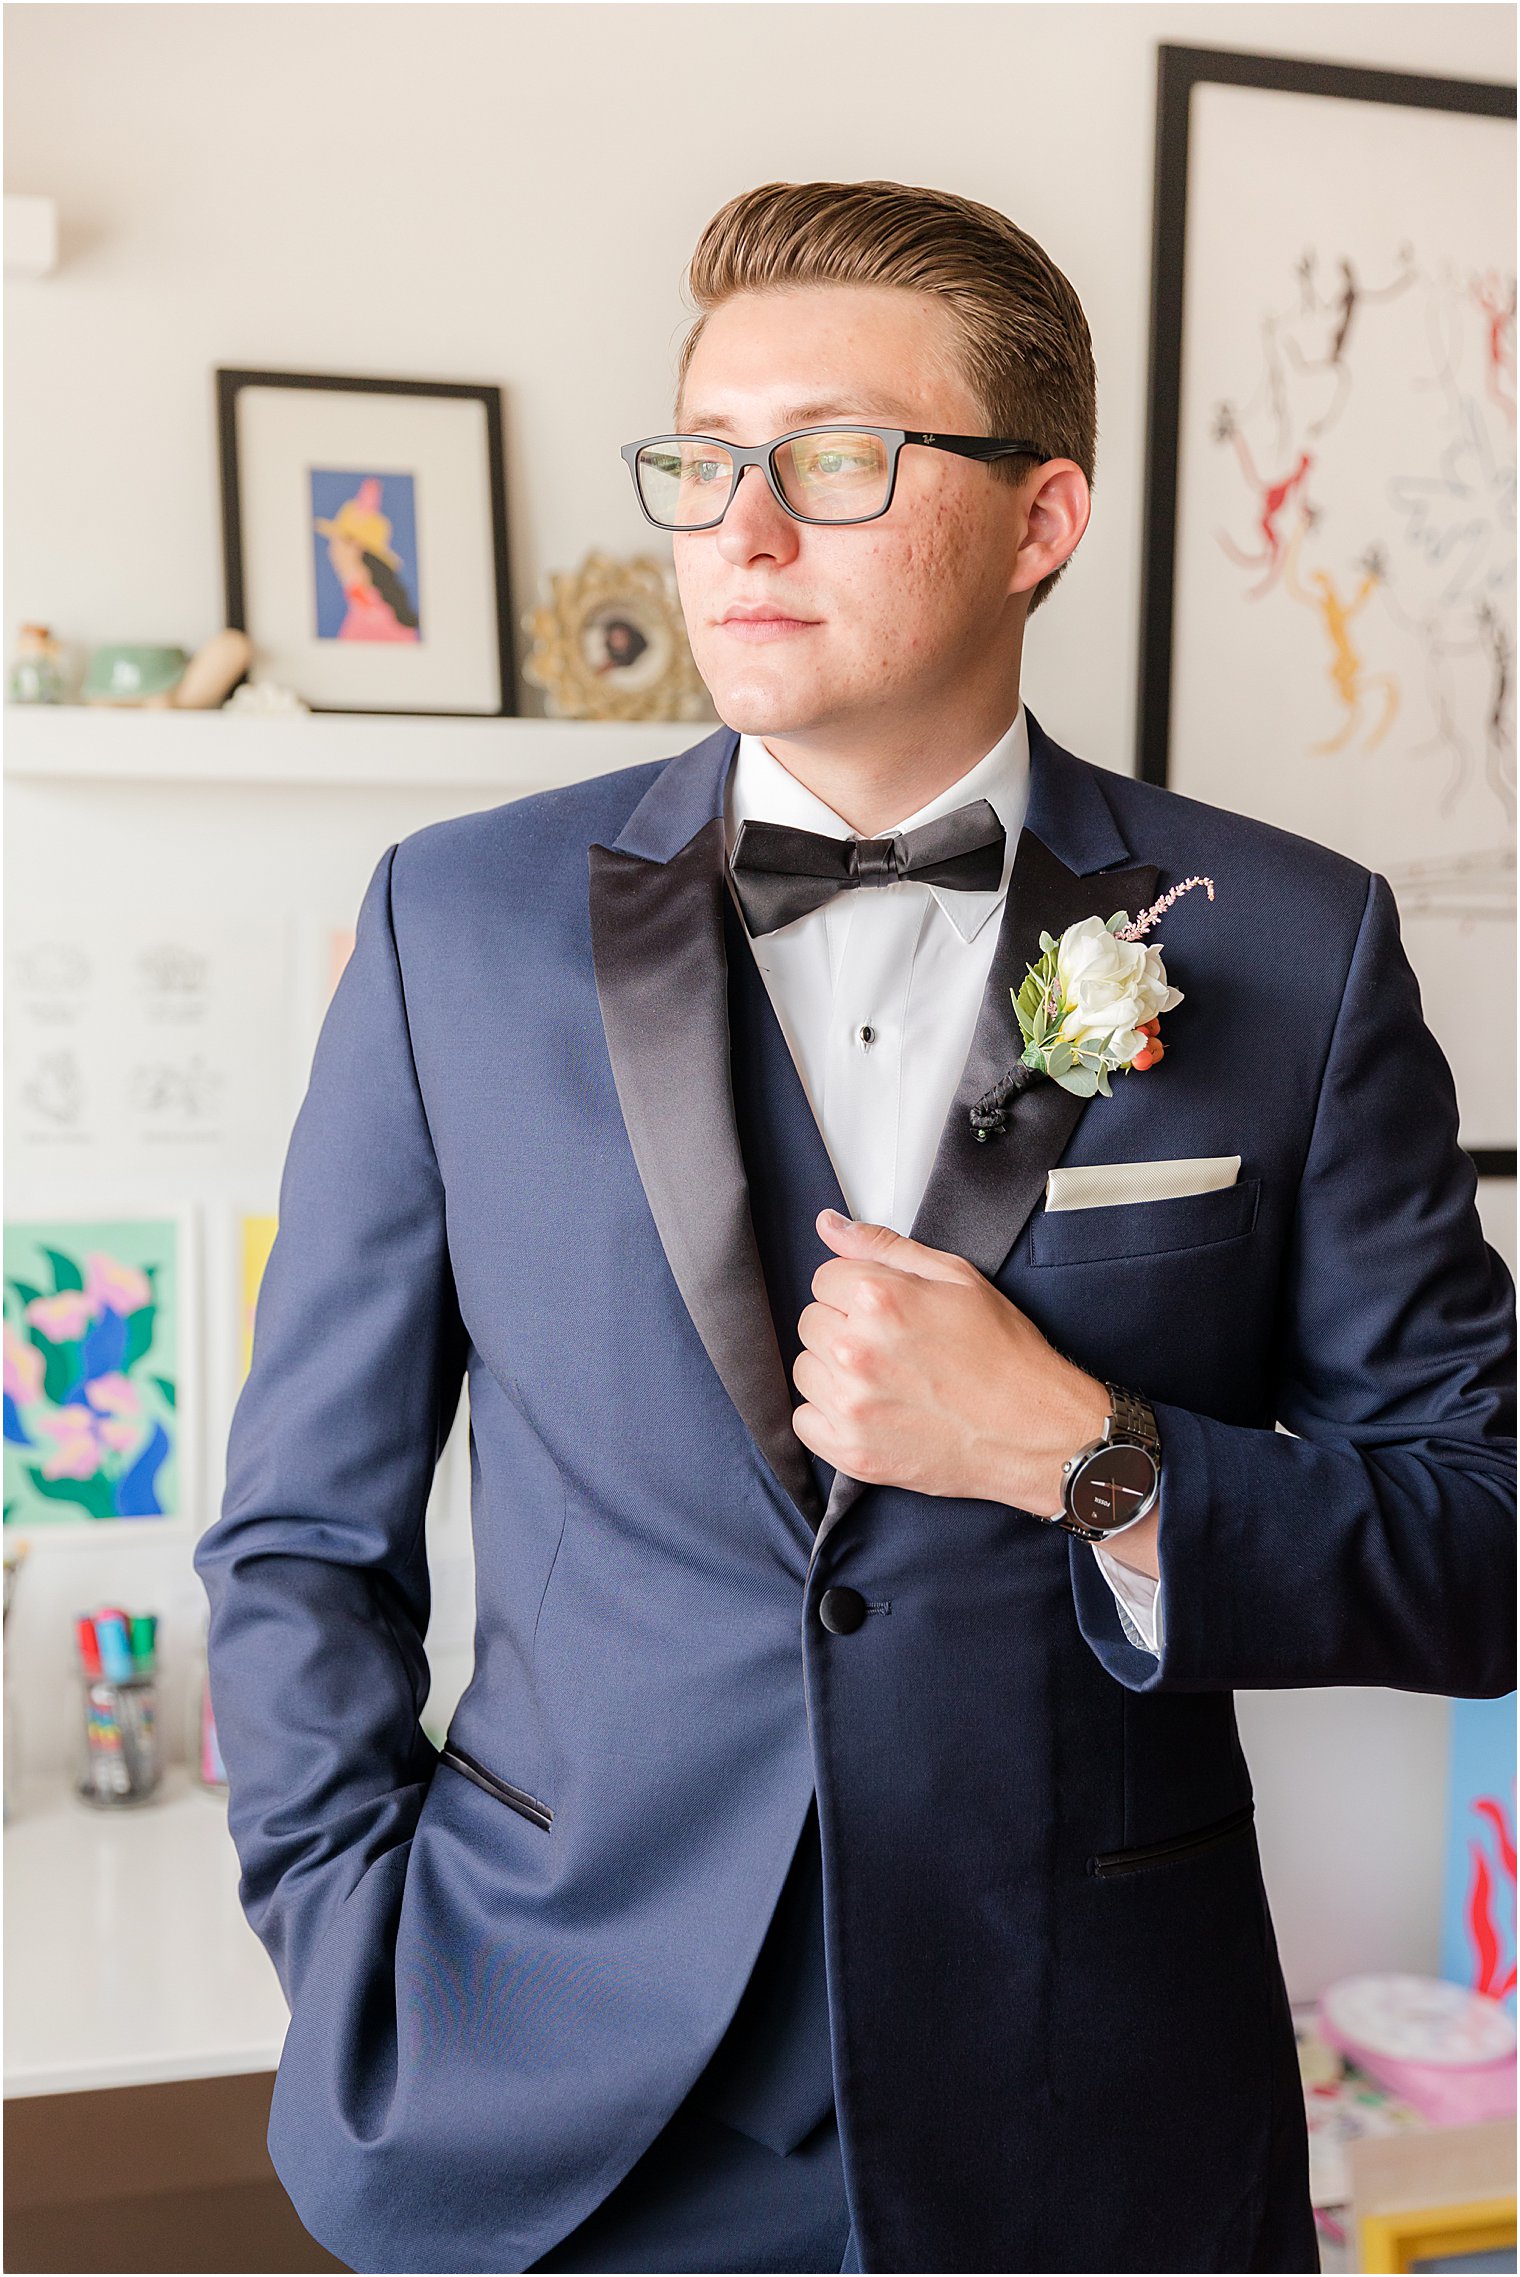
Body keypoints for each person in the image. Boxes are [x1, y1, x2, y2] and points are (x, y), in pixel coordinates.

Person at [194, 179, 1516, 2276]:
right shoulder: (456, 927)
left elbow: (1486, 1542)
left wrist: (1092, 1459)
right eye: (704, 460)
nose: (739, 525)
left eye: (834, 458)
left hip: (1093, 2125)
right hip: (549, 2110)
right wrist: (357, 1941)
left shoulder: (1293, 942)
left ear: (1039, 516)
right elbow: (297, 1539)